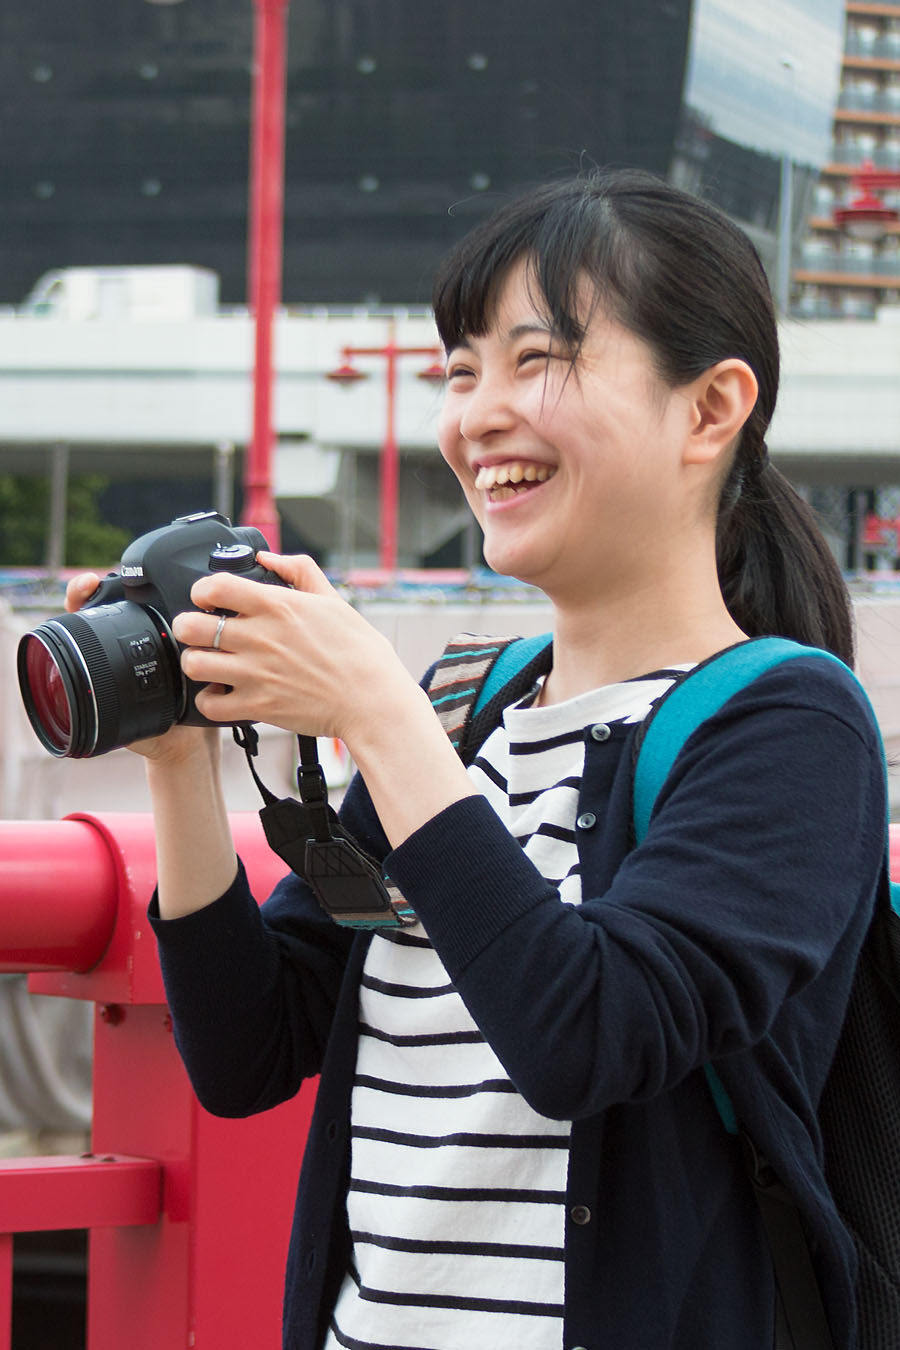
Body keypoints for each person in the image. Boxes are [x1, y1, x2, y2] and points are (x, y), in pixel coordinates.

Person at [67, 169, 885, 1350]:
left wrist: (372, 712)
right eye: (461, 372)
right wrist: (180, 763)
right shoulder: (463, 713)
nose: (477, 416)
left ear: (710, 410)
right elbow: (249, 1053)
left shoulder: (788, 726)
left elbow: (589, 1033)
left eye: (537, 360)